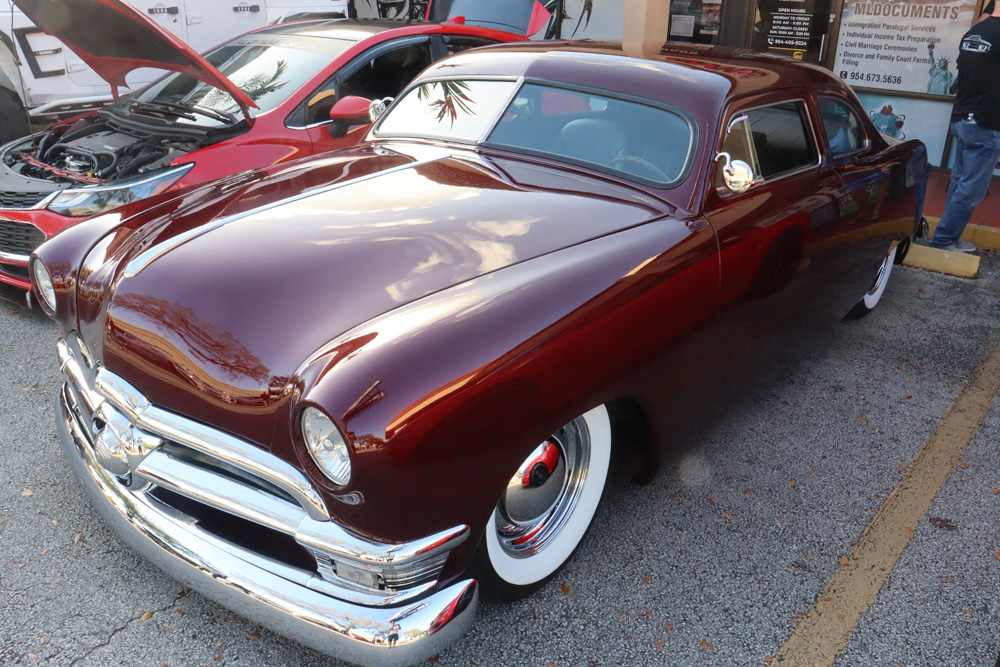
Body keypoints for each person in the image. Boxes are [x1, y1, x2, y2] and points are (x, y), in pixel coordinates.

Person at [928, 1, 1000, 251]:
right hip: (986, 123)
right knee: (971, 190)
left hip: (963, 118)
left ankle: (948, 237)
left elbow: (965, 70)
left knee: (960, 183)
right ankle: (943, 240)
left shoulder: (974, 33)